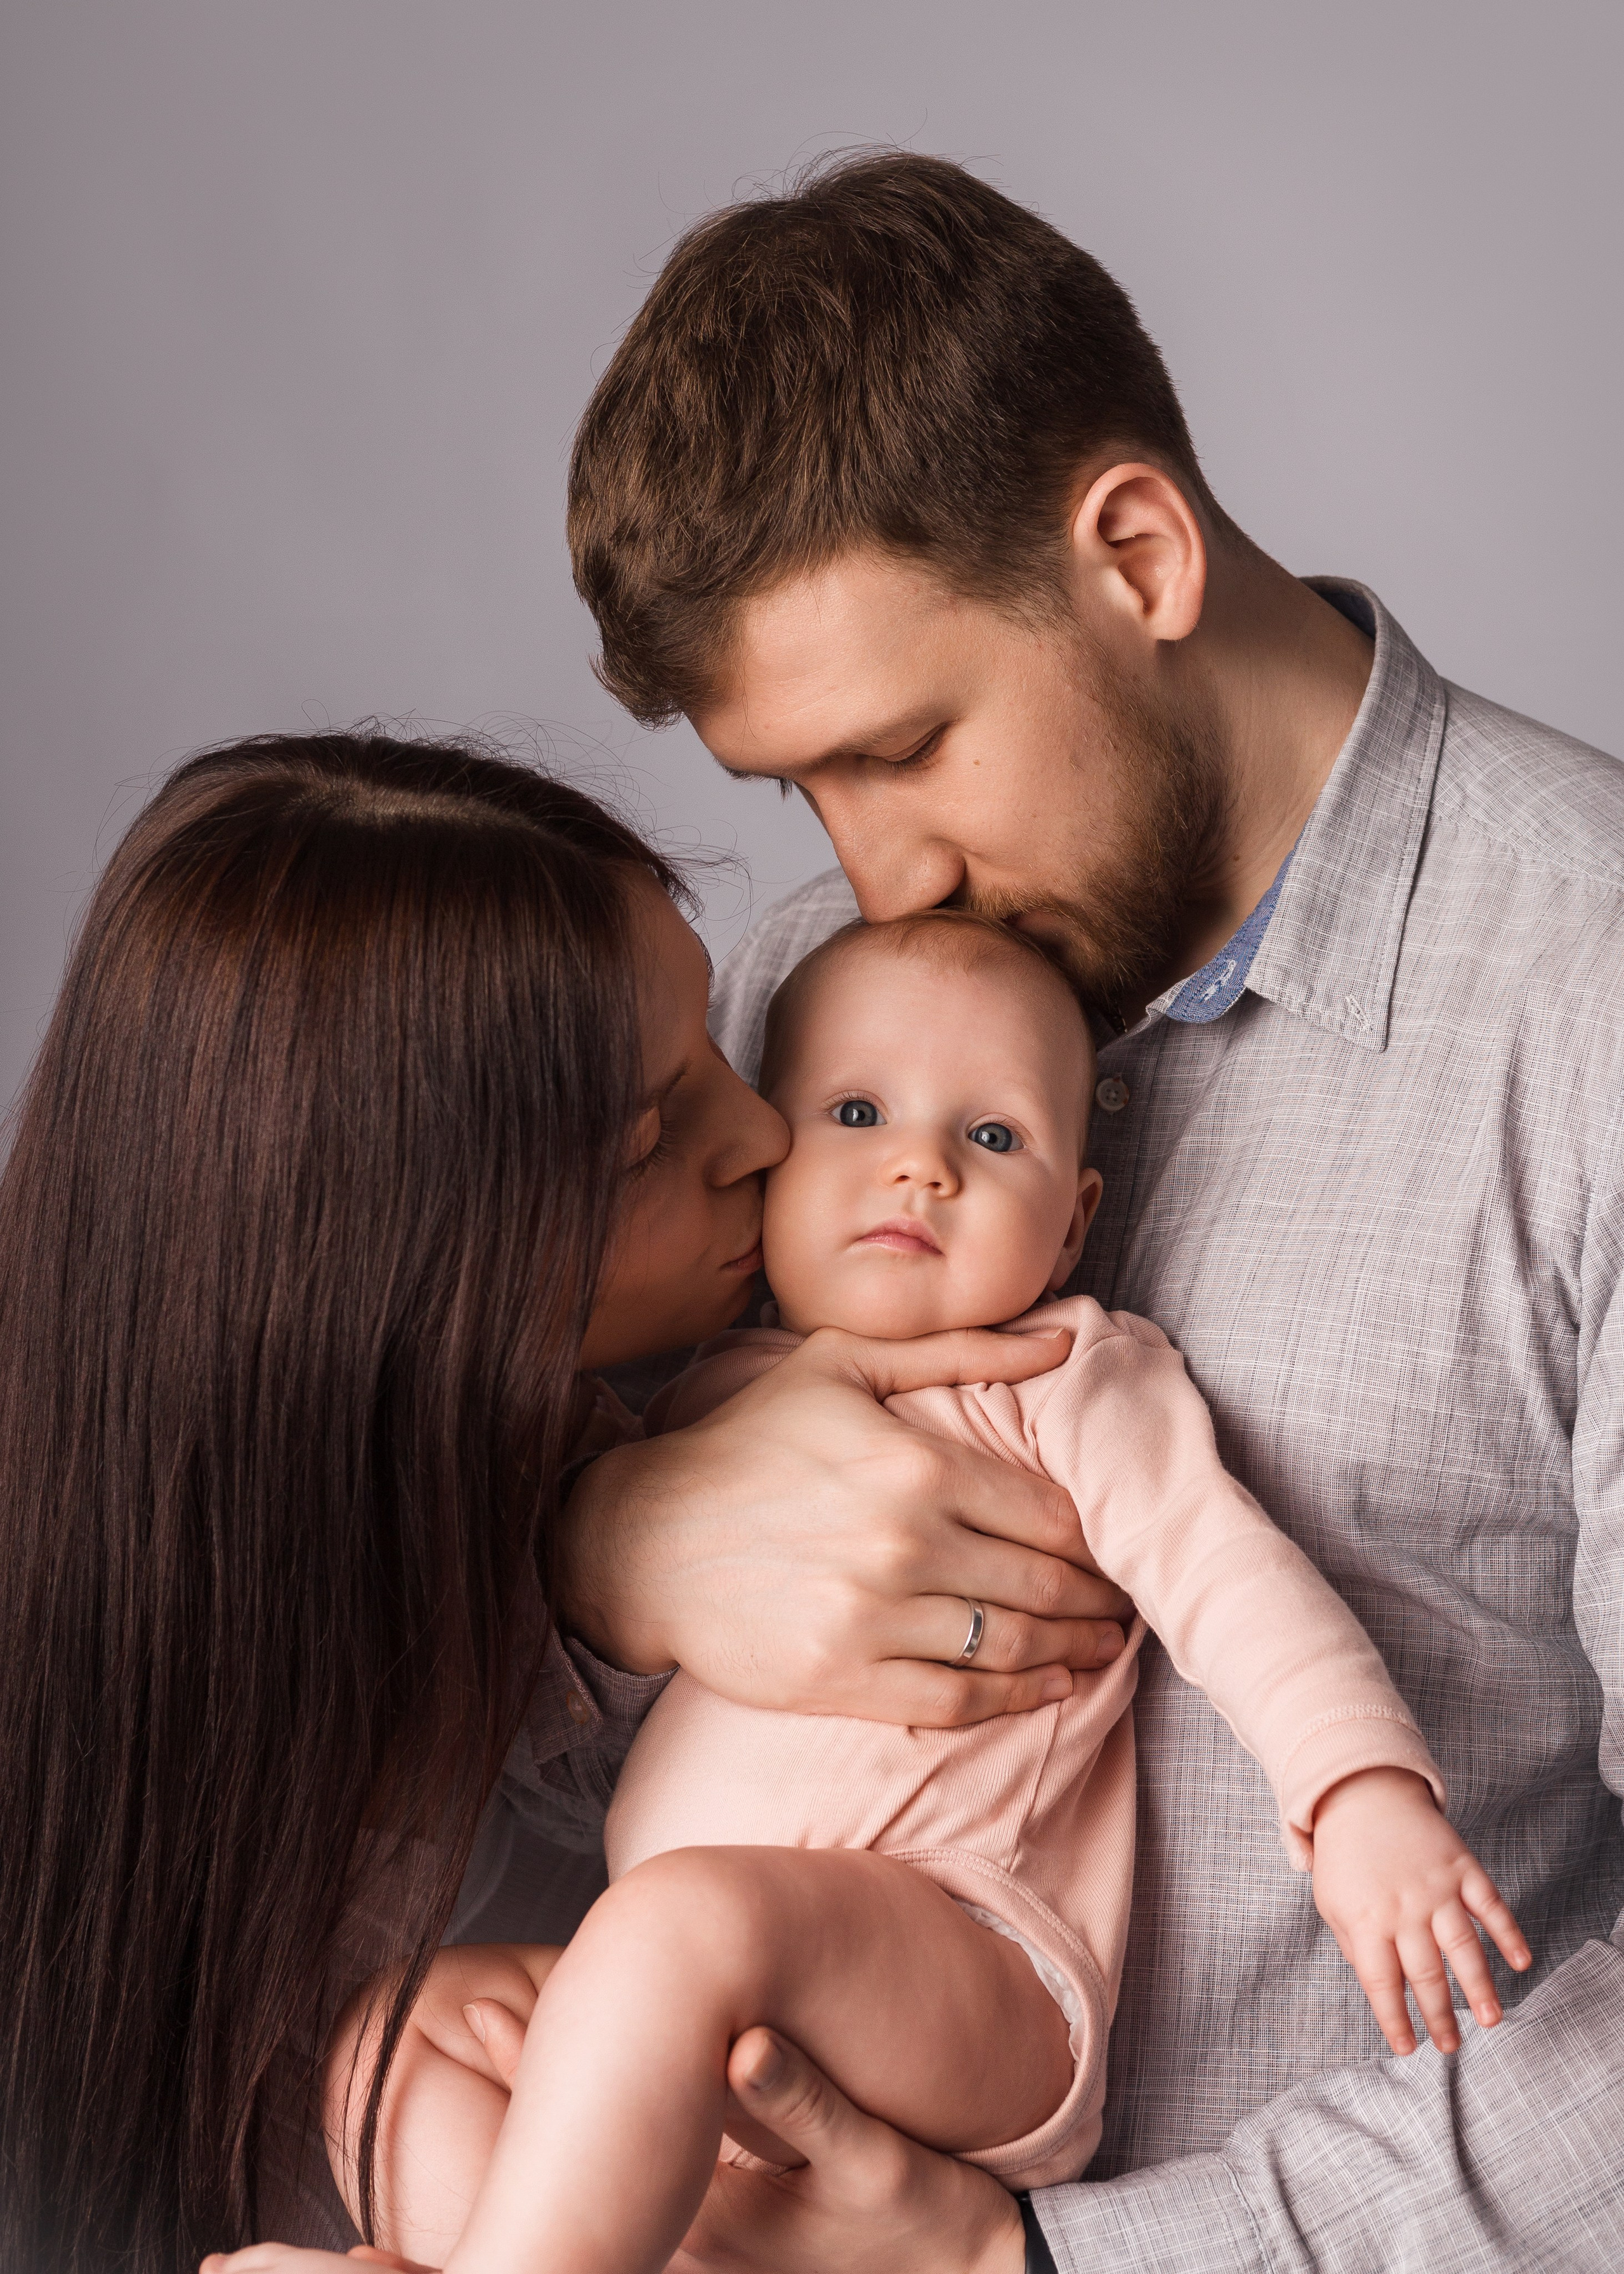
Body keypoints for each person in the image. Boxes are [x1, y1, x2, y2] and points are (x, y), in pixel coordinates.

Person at [556, 152, 1624, 2269]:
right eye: (803, 792)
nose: (879, 884)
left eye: (909, 745)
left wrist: (1038, 2265)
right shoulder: (792, 1002)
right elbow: (489, 1720)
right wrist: (602, 1549)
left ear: (1133, 553)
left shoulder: (1591, 1013)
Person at [0, 730, 1126, 2274]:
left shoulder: (760, 1386)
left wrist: (607, 1530)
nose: (769, 1138)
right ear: (401, 1268)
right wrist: (603, 1556)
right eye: (656, 1138)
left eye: (726, 1052)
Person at [272, 911, 1524, 2274]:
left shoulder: (1058, 1379)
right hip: (696, 1999)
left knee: (665, 1927)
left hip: (964, 1966)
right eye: (857, 1111)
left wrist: (1356, 1792)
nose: (918, 1164)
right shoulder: (689, 1393)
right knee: (395, 2041)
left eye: (990, 1138)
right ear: (766, 1167)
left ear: (1069, 1227)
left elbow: (1225, 1569)